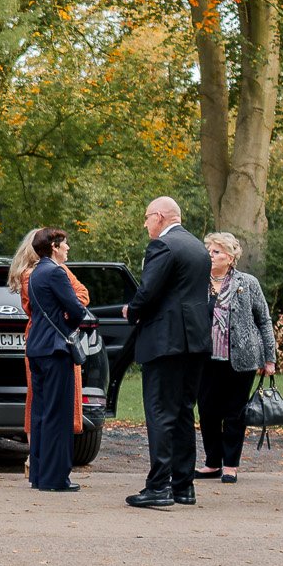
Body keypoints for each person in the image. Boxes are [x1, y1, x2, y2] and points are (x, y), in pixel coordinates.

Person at [119, 196, 211, 509]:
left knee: (160, 412)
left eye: (147, 217)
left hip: (165, 340)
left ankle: (158, 486)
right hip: (194, 341)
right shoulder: (198, 247)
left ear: (159, 216)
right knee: (183, 411)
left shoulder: (163, 246)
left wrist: (131, 311)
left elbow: (148, 291)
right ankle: (184, 486)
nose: (145, 224)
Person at [195, 231, 278, 484]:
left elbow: (264, 320)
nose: (210, 255)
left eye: (216, 251)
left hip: (241, 359)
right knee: (207, 411)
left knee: (234, 412)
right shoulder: (198, 282)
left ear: (230, 257)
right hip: (206, 358)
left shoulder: (248, 283)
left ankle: (230, 464)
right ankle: (212, 463)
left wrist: (270, 358)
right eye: (208, 251)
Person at [20, 227, 88, 492]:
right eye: (64, 243)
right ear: (53, 247)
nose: (67, 247)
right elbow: (76, 308)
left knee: (40, 413)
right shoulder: (56, 272)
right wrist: (70, 321)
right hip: (55, 349)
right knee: (58, 415)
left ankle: (39, 475)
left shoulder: (35, 272)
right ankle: (56, 478)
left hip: (37, 347)